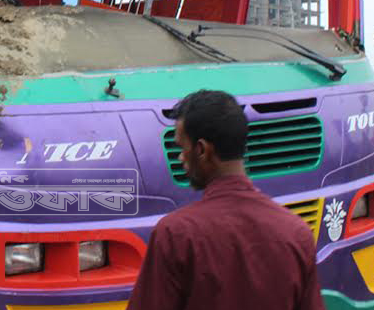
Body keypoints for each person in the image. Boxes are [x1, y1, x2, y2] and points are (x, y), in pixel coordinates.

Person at [126, 90, 324, 310]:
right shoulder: (296, 233)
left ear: (202, 150)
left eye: (182, 148)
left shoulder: (175, 234)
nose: (181, 157)